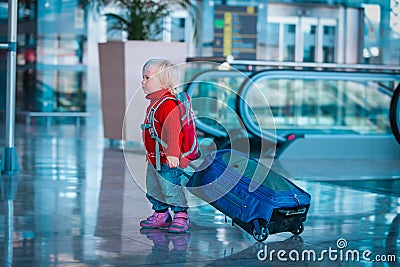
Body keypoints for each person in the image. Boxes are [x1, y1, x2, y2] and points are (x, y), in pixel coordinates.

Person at [139, 59, 190, 233]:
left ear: (164, 81)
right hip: (155, 158)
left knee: (170, 188)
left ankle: (181, 215)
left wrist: (174, 154)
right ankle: (161, 214)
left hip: (168, 159)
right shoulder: (154, 103)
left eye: (147, 78)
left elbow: (174, 131)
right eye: (143, 77)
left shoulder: (167, 104)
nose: (143, 82)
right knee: (153, 188)